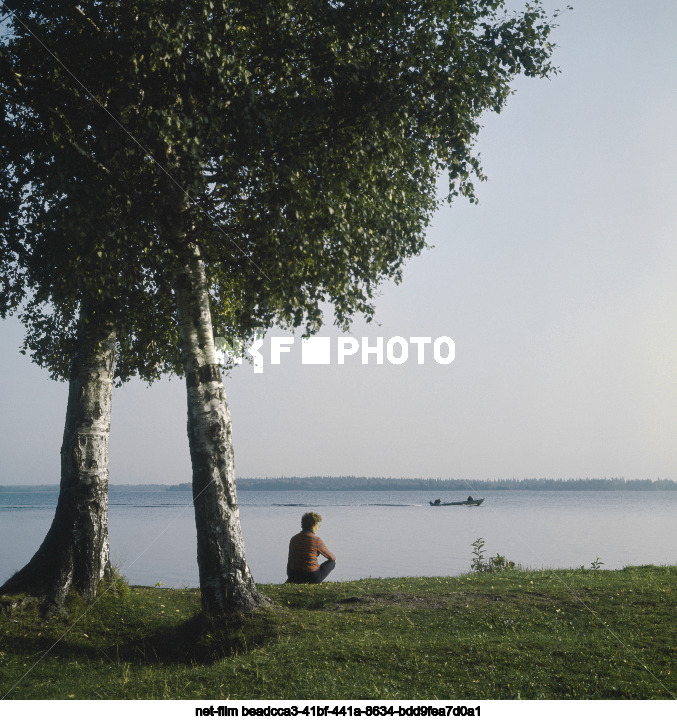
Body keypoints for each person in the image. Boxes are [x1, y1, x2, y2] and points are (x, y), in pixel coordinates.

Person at [286, 511, 336, 583]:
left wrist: (290, 576)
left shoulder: (293, 539)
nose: (318, 528)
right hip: (312, 577)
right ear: (313, 525)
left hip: (294, 576)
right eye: (318, 525)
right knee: (332, 562)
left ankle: (293, 580)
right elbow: (332, 557)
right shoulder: (316, 540)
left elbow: (290, 559)